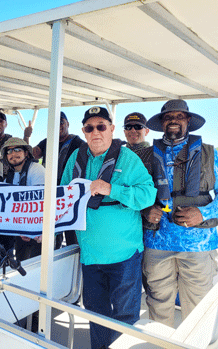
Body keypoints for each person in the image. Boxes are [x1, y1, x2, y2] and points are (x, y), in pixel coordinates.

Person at [60, 106, 156, 349]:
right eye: (89, 128)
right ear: (83, 131)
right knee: (95, 314)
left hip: (124, 255)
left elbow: (147, 195)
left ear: (112, 129)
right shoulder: (75, 158)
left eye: (101, 126)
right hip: (90, 255)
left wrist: (111, 189)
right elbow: (61, 197)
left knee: (125, 317)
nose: (96, 132)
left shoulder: (128, 158)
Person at [140, 99, 218, 327]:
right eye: (168, 117)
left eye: (179, 117)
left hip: (198, 246)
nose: (173, 121)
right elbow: (134, 192)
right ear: (162, 123)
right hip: (157, 244)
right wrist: (145, 210)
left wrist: (203, 213)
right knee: (157, 307)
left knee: (197, 312)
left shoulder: (209, 154)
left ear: (188, 121)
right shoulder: (146, 156)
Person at [31, 111, 84, 246]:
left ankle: (75, 264)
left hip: (70, 195)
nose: (58, 125)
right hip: (50, 193)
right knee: (52, 233)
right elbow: (33, 155)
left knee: (72, 235)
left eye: (61, 122)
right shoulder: (48, 141)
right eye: (55, 123)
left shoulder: (78, 142)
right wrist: (26, 137)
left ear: (68, 124)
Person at [1, 137, 45, 259]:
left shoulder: (37, 170)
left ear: (26, 153)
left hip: (39, 232)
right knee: (21, 264)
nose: (13, 154)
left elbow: (41, 204)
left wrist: (31, 230)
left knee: (37, 268)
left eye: (17, 149)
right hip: (20, 231)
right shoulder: (8, 177)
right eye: (9, 151)